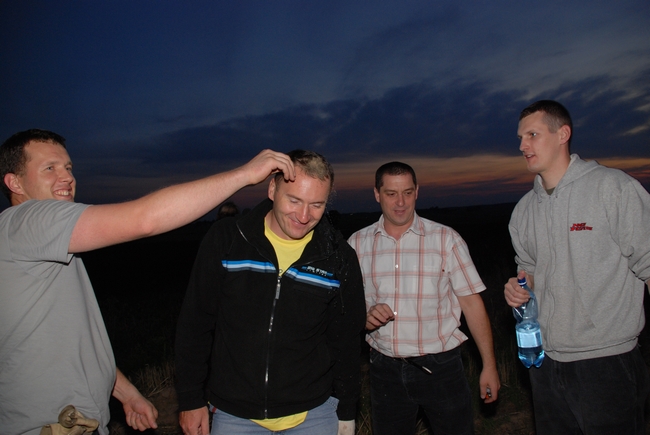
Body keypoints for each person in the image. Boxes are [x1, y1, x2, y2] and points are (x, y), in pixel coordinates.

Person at [0, 128, 296, 435]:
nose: (67, 177)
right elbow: (146, 219)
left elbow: (69, 338)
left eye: (68, 167)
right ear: (14, 182)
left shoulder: (43, 247)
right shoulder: (29, 220)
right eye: (50, 168)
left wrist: (126, 392)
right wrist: (245, 175)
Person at [174, 150, 366, 435]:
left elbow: (346, 341)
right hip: (235, 415)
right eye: (294, 200)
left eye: (316, 205)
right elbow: (195, 324)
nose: (304, 216)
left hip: (314, 414)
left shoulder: (339, 257)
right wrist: (190, 399)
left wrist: (347, 412)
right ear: (272, 189)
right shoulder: (228, 239)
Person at [504, 100, 650, 434]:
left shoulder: (613, 188)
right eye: (520, 138)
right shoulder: (524, 210)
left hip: (607, 361)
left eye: (532, 135)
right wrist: (518, 288)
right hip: (544, 362)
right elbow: (529, 273)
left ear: (562, 134)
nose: (523, 145)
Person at [348, 162, 500, 435]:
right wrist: (364, 317)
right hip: (384, 370)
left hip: (442, 368)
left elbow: (472, 304)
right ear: (377, 194)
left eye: (407, 192)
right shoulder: (357, 244)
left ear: (417, 191)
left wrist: (489, 365)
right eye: (391, 193)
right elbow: (346, 308)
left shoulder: (446, 239)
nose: (401, 202)